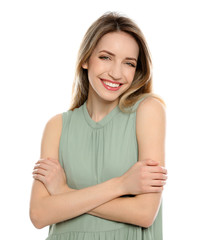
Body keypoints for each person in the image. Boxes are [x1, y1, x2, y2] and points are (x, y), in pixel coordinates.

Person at [29, 11, 168, 240]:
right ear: (85, 59)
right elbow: (39, 214)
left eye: (129, 63)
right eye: (106, 57)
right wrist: (122, 185)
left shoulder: (148, 110)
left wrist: (64, 194)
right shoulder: (57, 126)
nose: (116, 72)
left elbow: (144, 213)